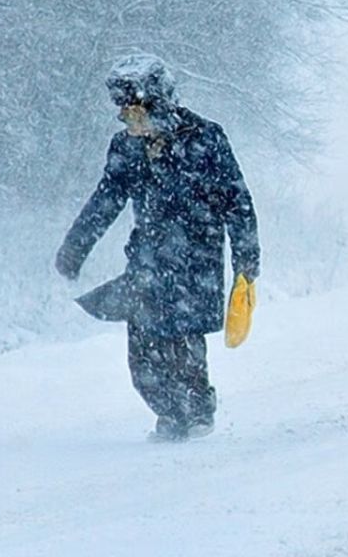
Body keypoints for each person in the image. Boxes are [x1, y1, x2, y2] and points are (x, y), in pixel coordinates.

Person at [55, 54, 260, 442]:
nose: (129, 121)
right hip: (146, 262)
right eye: (123, 114)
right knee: (143, 356)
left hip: (196, 262)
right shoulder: (125, 148)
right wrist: (75, 246)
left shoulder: (206, 139)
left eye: (135, 112)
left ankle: (197, 411)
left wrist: (246, 261)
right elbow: (106, 199)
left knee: (182, 344)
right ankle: (169, 414)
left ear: (159, 104)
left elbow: (238, 202)